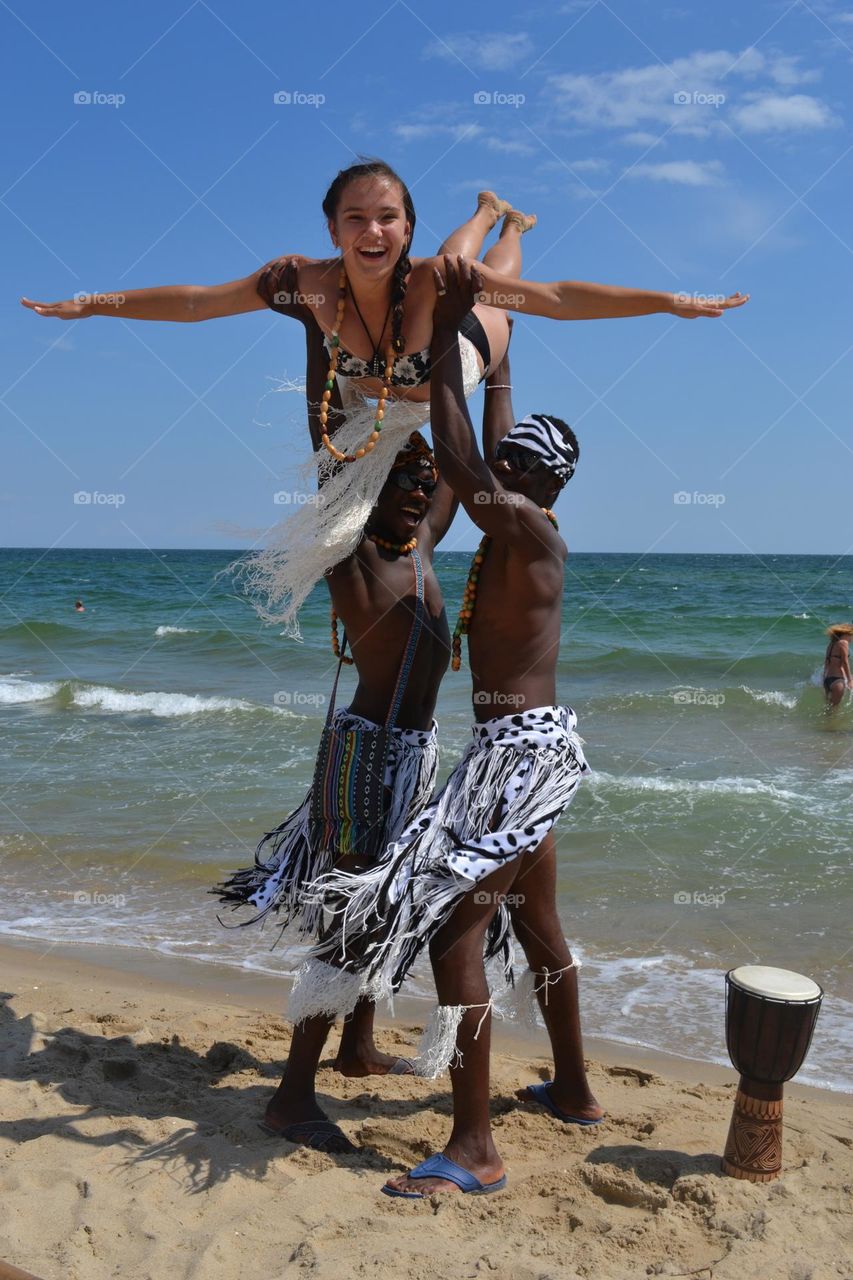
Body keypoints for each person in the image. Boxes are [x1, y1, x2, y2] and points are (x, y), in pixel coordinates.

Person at [22, 157, 749, 633]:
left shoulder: (427, 277)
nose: (373, 230)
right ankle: (491, 205)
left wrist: (668, 300)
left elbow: (554, 298)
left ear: (405, 227)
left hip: (458, 358)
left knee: (482, 279)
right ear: (332, 229)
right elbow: (193, 303)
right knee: (463, 258)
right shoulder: (307, 282)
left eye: (388, 218)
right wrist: (93, 303)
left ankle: (504, 221)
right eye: (356, 218)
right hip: (380, 395)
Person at [310, 257, 605, 1198]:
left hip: (516, 755)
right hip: (526, 748)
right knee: (540, 922)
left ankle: (474, 1147)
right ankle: (572, 1089)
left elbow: (468, 459)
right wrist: (500, 346)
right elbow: (482, 446)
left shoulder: (519, 522)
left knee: (452, 937)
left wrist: (444, 346)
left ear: (535, 482)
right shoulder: (522, 520)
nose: (494, 468)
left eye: (512, 462)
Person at [212, 272, 458, 1153]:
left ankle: (356, 1047)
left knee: (385, 906)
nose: (419, 486)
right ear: (373, 482)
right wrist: (312, 332)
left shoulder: (422, 548)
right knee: (350, 914)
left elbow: (456, 468)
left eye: (422, 479)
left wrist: (472, 333)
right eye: (404, 474)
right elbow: (326, 442)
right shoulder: (352, 552)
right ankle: (290, 1094)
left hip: (415, 752)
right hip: (363, 757)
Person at [823, 624, 853, 708]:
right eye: (852, 636)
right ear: (847, 634)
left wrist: (824, 678)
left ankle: (827, 721)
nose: (852, 639)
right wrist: (850, 680)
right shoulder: (843, 642)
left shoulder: (831, 644)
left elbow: (826, 663)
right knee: (833, 710)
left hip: (827, 680)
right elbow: (845, 662)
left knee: (828, 708)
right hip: (837, 680)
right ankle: (829, 721)